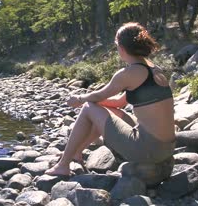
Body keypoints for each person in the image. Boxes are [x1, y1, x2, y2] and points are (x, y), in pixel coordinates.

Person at [46, 22, 176, 176]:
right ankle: (76, 152)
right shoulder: (153, 68)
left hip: (147, 151)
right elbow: (119, 103)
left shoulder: (127, 73)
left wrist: (80, 99)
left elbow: (99, 95)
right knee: (100, 110)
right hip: (166, 149)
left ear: (121, 48)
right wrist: (97, 108)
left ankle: (63, 165)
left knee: (88, 108)